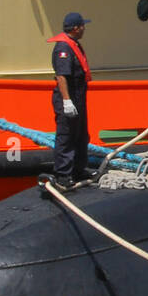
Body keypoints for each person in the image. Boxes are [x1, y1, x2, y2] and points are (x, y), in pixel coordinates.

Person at [50, 11, 91, 189]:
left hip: (79, 97)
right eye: (82, 26)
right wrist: (67, 101)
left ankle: (78, 169)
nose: (84, 29)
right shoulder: (64, 48)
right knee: (66, 136)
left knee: (81, 135)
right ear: (76, 28)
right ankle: (63, 175)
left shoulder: (74, 44)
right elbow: (62, 76)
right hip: (69, 97)